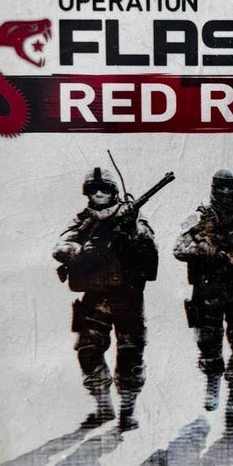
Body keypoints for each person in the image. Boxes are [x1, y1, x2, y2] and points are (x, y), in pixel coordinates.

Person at [53, 166, 158, 432]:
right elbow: (60, 247)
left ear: (113, 192)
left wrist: (133, 227)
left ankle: (127, 411)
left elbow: (149, 244)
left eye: (104, 189)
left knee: (130, 354)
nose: (99, 194)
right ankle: (103, 406)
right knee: (88, 350)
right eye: (93, 190)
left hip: (128, 296)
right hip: (95, 297)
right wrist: (80, 251)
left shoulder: (131, 214)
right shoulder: (83, 220)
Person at [173, 170, 233, 428]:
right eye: (220, 188)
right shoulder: (203, 217)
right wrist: (212, 252)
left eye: (229, 188)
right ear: (213, 189)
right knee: (209, 344)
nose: (225, 193)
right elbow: (179, 248)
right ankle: (213, 380)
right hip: (208, 290)